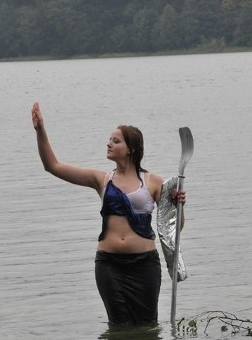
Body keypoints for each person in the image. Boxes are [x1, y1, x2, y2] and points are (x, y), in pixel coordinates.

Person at [31, 101, 185, 324]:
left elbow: (175, 228)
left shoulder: (154, 182)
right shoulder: (101, 180)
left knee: (148, 325)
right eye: (109, 140)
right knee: (118, 325)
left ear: (131, 148)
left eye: (116, 140)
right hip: (109, 264)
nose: (109, 144)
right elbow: (52, 166)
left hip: (145, 264)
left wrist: (179, 206)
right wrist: (40, 130)